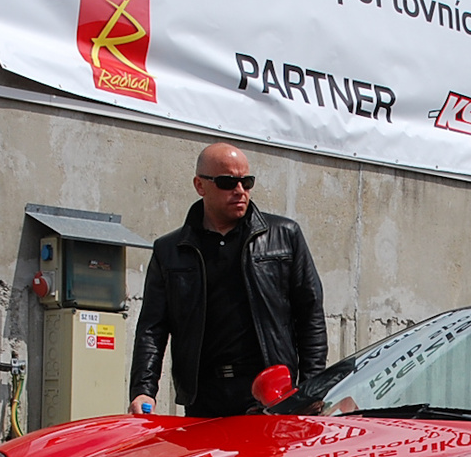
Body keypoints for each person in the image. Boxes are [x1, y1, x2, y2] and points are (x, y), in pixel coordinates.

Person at [130, 143, 326, 417]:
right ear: (200, 185)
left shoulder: (284, 237)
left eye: (246, 182)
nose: (240, 191)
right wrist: (143, 389)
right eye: (227, 182)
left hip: (271, 393)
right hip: (204, 397)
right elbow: (152, 327)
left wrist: (311, 386)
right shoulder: (171, 251)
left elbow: (310, 314)